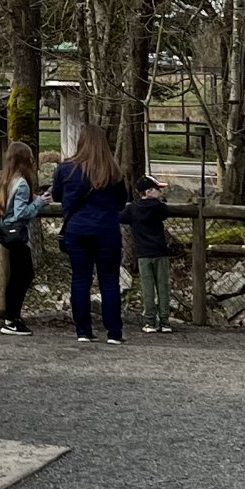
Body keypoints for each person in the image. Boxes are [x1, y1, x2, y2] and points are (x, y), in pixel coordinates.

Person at [54, 124, 128, 344]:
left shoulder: (66, 169)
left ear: (81, 141)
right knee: (109, 280)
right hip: (107, 230)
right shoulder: (113, 171)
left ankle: (83, 330)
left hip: (77, 229)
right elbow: (121, 201)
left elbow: (57, 195)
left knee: (80, 279)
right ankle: (114, 332)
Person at [0, 141, 43, 334]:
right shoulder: (22, 183)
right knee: (24, 275)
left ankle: (11, 317)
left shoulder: (9, 180)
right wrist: (39, 203)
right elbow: (21, 213)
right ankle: (11, 319)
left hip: (6, 233)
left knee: (17, 275)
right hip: (18, 235)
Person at [124, 173, 177, 333]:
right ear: (148, 192)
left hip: (143, 253)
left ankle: (150, 321)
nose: (159, 192)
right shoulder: (159, 208)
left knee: (147, 288)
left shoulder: (132, 209)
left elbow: (121, 217)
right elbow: (165, 212)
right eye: (156, 189)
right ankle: (165, 321)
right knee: (163, 286)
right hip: (160, 251)